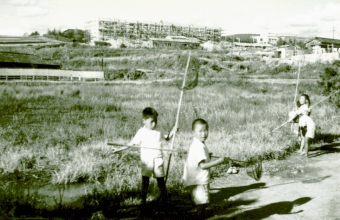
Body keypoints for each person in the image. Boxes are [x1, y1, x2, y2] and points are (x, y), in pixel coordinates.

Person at [118, 107, 176, 212]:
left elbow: (167, 137)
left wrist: (174, 129)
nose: (154, 124)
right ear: (144, 120)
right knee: (145, 181)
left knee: (161, 182)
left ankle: (165, 200)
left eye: (156, 121)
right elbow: (131, 143)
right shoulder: (141, 132)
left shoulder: (159, 129)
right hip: (147, 161)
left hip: (158, 160)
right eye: (152, 122)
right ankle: (143, 202)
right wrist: (118, 149)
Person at [183, 119, 229, 219]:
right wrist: (219, 161)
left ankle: (201, 216)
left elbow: (200, 159)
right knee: (201, 204)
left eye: (206, 130)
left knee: (202, 203)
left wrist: (208, 156)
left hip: (198, 180)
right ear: (193, 132)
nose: (203, 134)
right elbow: (202, 166)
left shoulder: (198, 143)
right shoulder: (198, 146)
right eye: (200, 131)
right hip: (198, 181)